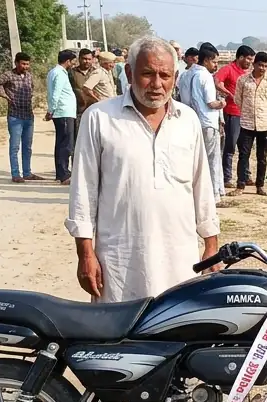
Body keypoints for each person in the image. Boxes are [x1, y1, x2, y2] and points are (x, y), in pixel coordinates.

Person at [66, 36, 220, 303]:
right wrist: (86, 255)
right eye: (148, 74)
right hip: (120, 261)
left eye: (165, 75)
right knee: (118, 338)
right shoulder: (100, 118)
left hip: (180, 258)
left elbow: (201, 187)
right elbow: (83, 192)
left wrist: (211, 245)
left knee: (177, 332)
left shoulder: (188, 120)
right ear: (129, 73)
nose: (157, 84)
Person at [0, 52, 44, 183]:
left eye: (28, 64)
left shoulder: (29, 76)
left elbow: (32, 89)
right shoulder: (8, 75)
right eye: (23, 64)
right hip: (15, 116)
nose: (26, 66)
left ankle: (27, 173)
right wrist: (5, 95)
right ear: (16, 63)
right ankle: (15, 174)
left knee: (27, 146)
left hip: (28, 116)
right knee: (15, 147)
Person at [182, 42, 225, 203]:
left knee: (195, 160)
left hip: (190, 122)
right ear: (206, 60)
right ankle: (213, 194)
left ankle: (196, 192)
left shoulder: (185, 75)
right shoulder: (205, 76)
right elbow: (210, 103)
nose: (216, 66)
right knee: (211, 159)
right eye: (214, 62)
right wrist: (221, 103)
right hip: (207, 123)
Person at [233, 50, 267, 197]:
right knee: (243, 156)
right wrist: (247, 111)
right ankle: (240, 185)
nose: (262, 68)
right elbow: (237, 99)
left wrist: (265, 114)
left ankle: (260, 185)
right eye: (260, 65)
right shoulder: (243, 80)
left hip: (264, 124)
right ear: (254, 64)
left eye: (265, 66)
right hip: (246, 123)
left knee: (262, 157)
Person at [216, 45, 254, 190]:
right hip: (232, 113)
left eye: (252, 60)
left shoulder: (249, 72)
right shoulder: (228, 69)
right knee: (230, 146)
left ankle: (246, 175)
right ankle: (227, 178)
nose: (250, 62)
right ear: (240, 57)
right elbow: (217, 82)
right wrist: (230, 94)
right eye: (248, 59)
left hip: (246, 115)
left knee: (245, 148)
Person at [47, 49, 78, 185]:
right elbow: (55, 94)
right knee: (65, 144)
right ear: (67, 61)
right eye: (73, 61)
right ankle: (64, 174)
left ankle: (61, 173)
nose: (73, 64)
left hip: (65, 112)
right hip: (63, 112)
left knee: (62, 143)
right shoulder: (59, 74)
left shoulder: (55, 72)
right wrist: (51, 110)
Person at [69, 49, 98, 144]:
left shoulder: (96, 72)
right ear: (79, 59)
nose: (87, 61)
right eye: (84, 59)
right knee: (79, 141)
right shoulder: (71, 73)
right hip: (79, 111)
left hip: (95, 110)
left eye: (89, 59)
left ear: (93, 59)